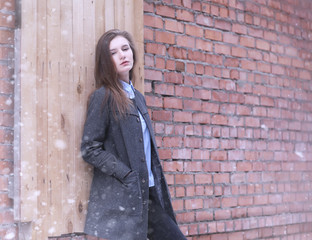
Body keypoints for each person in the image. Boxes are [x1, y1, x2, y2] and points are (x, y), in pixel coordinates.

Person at [81, 29, 187, 240]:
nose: (122, 55)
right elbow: (89, 148)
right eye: (113, 52)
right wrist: (126, 174)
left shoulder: (137, 97)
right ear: (105, 61)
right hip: (123, 197)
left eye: (125, 48)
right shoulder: (103, 97)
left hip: (148, 194)